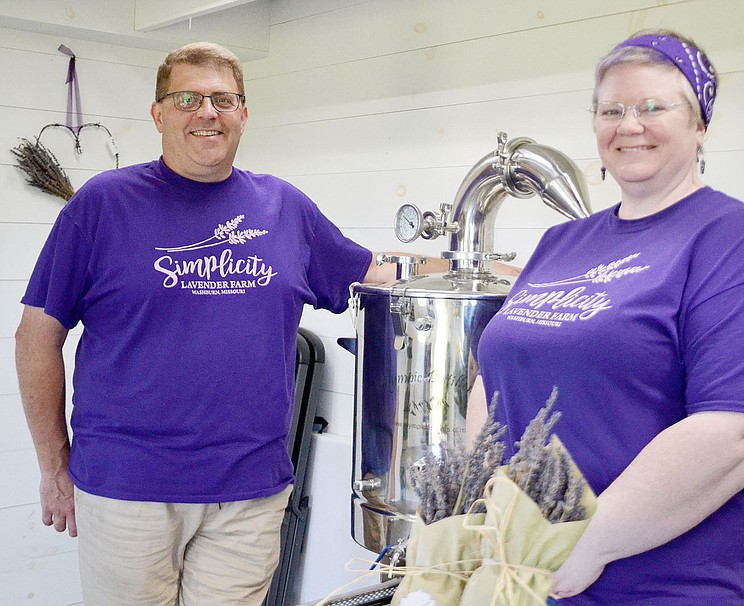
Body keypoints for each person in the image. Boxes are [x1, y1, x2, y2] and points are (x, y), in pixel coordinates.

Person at [14, 41, 450, 606]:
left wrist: (501, 270)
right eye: (188, 98)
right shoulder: (103, 204)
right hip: (128, 490)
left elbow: (375, 271)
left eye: (223, 99)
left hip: (249, 494)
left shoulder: (283, 208)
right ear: (158, 113)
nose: (207, 112)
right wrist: (54, 467)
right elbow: (36, 338)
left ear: (243, 113)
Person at [467, 29, 744, 604]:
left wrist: (586, 546)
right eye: (611, 110)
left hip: (668, 584)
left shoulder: (730, 238)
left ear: (699, 125)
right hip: (529, 571)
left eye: (653, 107)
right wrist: (485, 499)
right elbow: (490, 377)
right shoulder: (560, 242)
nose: (630, 124)